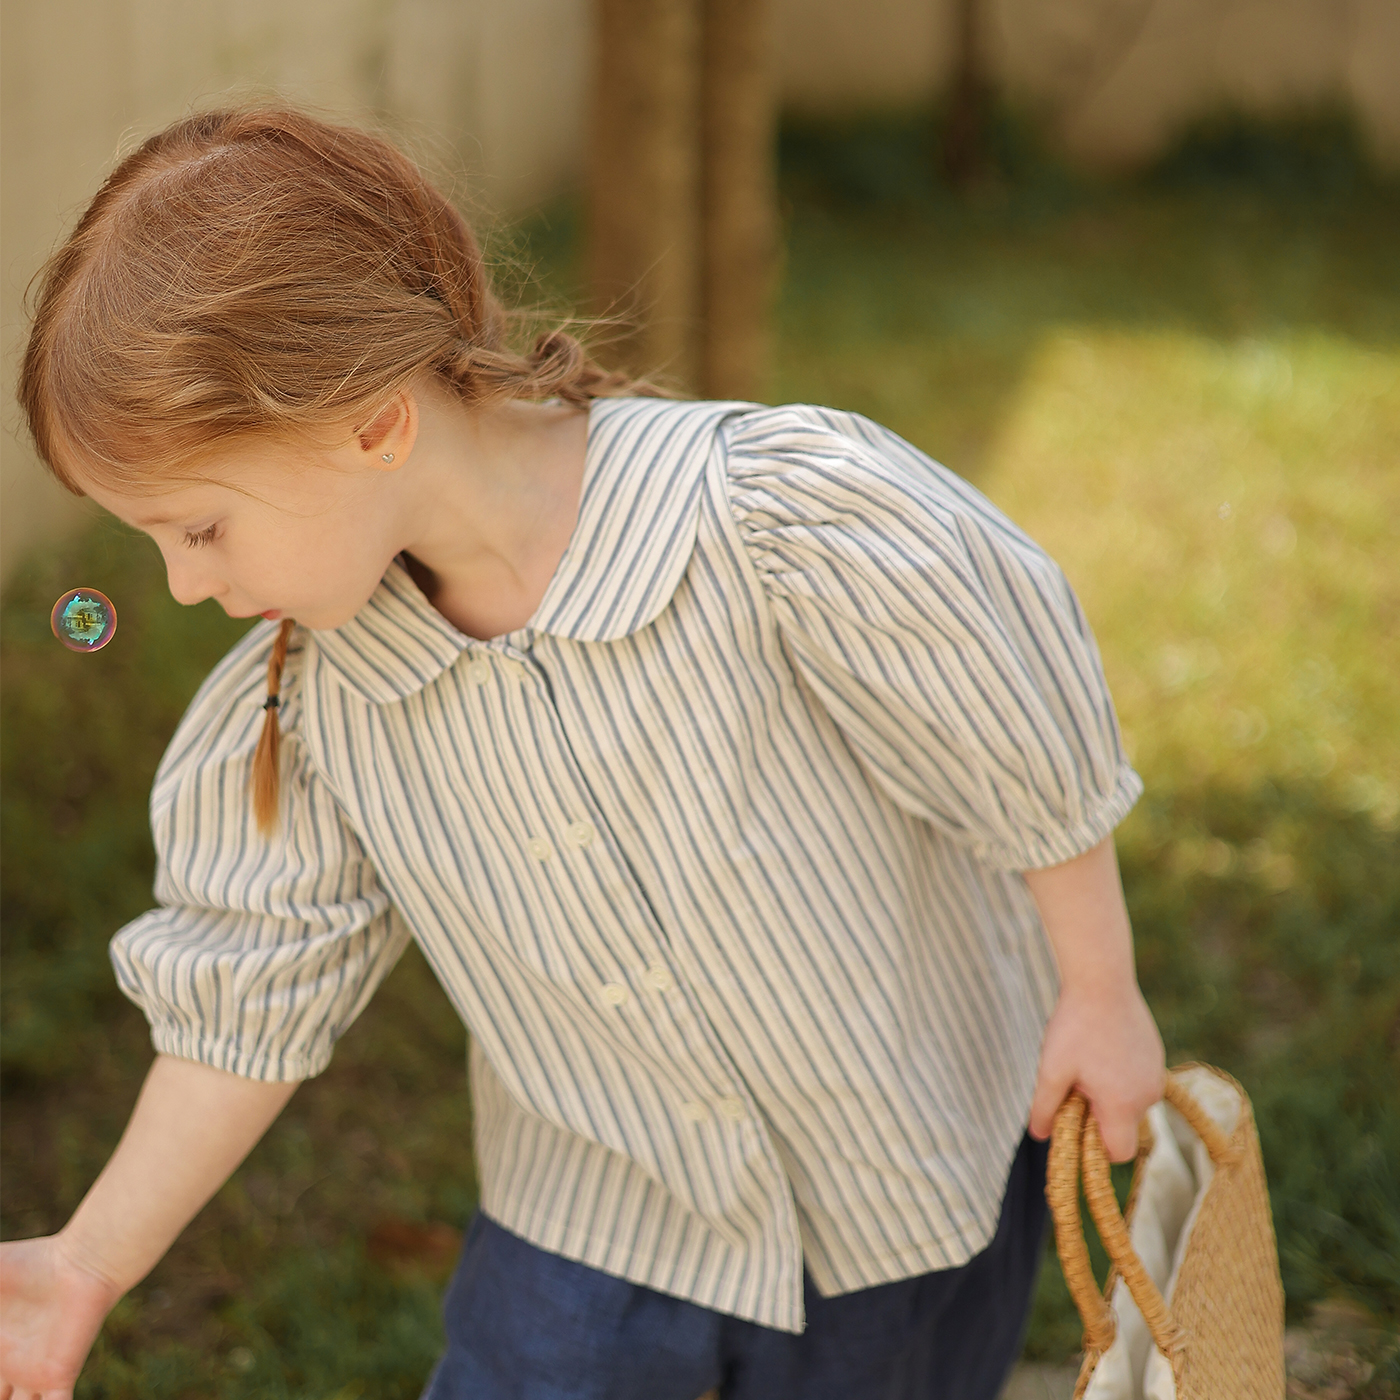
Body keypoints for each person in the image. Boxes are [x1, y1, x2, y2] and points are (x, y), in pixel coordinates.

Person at [0, 106, 1164, 1400]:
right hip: (589, 1237)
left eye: (200, 528)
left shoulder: (767, 524)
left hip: (901, 1203)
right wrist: (86, 1263)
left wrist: (1098, 991)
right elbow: (246, 993)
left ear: (372, 426)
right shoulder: (310, 703)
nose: (177, 584)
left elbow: (1012, 729)